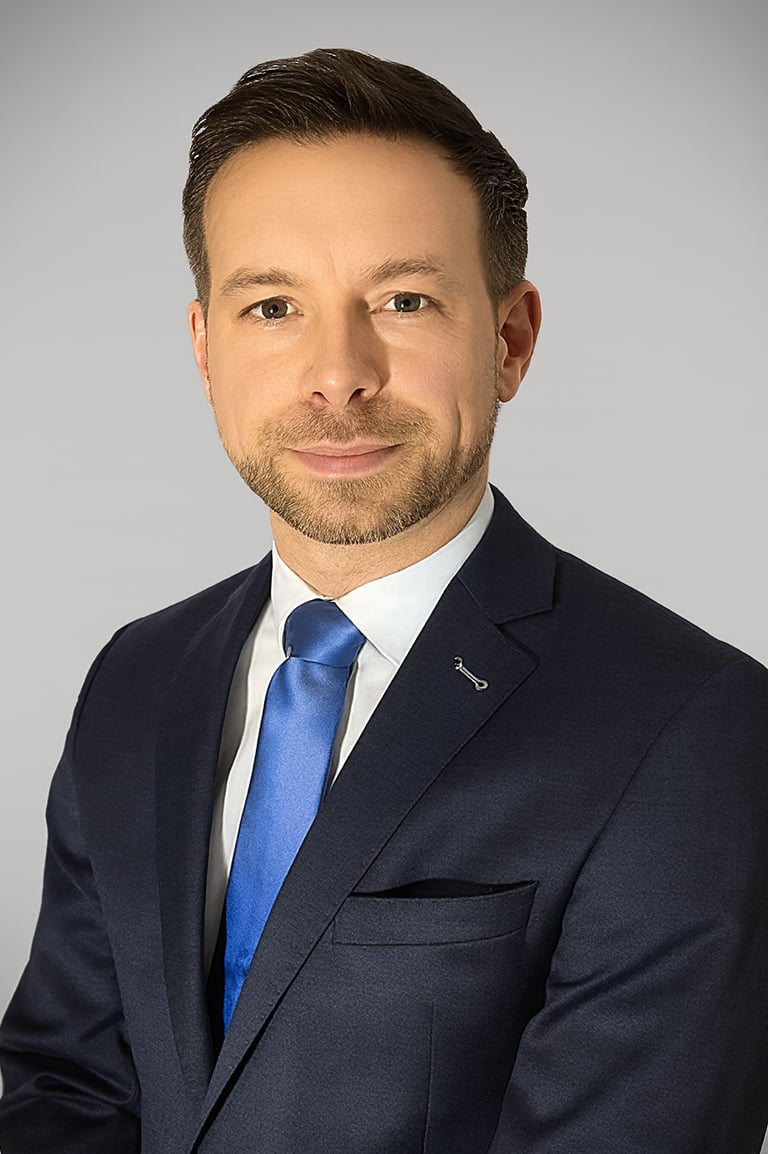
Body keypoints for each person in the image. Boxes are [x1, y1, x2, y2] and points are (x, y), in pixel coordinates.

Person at [1, 46, 766, 1154]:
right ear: (206, 349)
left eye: (404, 300)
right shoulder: (138, 676)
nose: (338, 373)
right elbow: (65, 1089)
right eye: (273, 306)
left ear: (509, 339)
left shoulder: (691, 726)